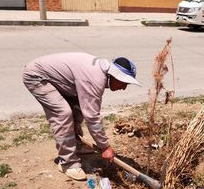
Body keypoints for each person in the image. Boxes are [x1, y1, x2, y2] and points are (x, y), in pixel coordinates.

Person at [22, 53, 140, 181]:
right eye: (124, 82)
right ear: (115, 76)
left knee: (78, 107)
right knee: (63, 113)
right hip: (37, 76)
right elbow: (92, 117)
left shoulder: (101, 73)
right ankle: (67, 163)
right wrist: (105, 147)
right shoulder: (94, 79)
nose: (124, 88)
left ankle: (76, 144)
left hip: (56, 78)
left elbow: (87, 109)